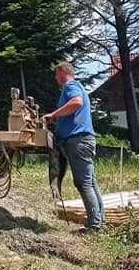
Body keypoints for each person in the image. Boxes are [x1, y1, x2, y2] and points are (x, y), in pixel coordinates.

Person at [42, 61, 105, 231]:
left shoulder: (70, 86)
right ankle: (100, 221)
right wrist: (59, 118)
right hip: (83, 140)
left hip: (78, 141)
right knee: (90, 182)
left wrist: (54, 114)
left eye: (56, 74)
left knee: (83, 183)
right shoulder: (78, 86)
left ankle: (94, 226)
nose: (56, 78)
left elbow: (77, 102)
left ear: (63, 72)